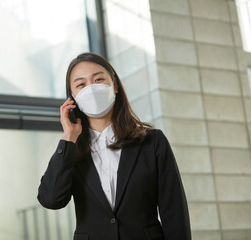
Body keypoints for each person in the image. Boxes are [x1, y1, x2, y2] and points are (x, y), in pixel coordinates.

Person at [37, 52, 191, 240]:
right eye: (81, 84)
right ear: (72, 98)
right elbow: (51, 200)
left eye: (98, 79)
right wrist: (69, 136)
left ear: (115, 85)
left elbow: (174, 211)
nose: (91, 89)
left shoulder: (152, 142)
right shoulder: (72, 150)